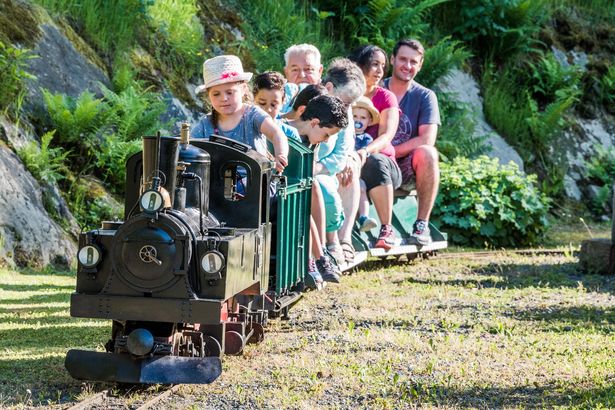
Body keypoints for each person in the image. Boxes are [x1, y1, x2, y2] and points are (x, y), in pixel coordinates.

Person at [286, 93, 349, 287]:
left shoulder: (311, 143)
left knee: (311, 187)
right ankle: (319, 257)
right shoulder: (283, 131)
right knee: (307, 190)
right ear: (314, 122)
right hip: (279, 192)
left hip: (297, 194)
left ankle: (319, 254)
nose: (325, 140)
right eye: (326, 135)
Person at [384, 39, 441, 245]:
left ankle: (421, 224)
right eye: (403, 59)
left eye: (413, 62)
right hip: (375, 161)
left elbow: (427, 138)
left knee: (428, 152)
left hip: (405, 167)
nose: (407, 66)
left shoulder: (425, 96)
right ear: (392, 59)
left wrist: (392, 151)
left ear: (420, 64)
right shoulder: (376, 89)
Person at [191, 55, 289, 173]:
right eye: (216, 94)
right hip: (216, 182)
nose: (224, 98)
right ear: (209, 96)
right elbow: (189, 146)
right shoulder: (205, 123)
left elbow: (276, 134)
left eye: (230, 92)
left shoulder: (253, 115)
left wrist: (280, 155)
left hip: (254, 181)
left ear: (243, 89)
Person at [349, 45, 401, 250]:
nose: (380, 70)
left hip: (383, 166)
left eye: (383, 65)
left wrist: (365, 151)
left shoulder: (386, 97)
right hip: (349, 160)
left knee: (375, 161)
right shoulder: (347, 93)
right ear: (360, 66)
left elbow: (387, 135)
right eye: (374, 64)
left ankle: (386, 228)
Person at [351, 96, 379, 232]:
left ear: (369, 122)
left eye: (363, 118)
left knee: (361, 187)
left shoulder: (366, 139)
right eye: (355, 116)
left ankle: (364, 217)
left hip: (356, 175)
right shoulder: (343, 135)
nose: (358, 120)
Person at [252, 71, 300, 142]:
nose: (268, 109)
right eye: (262, 103)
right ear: (253, 99)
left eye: (273, 105)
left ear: (282, 102)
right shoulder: (243, 125)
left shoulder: (290, 134)